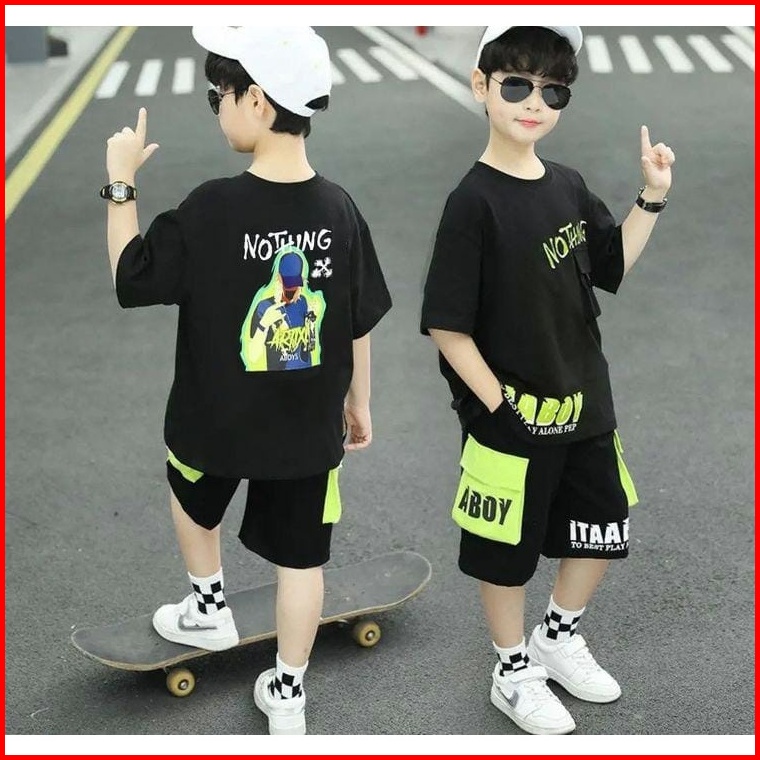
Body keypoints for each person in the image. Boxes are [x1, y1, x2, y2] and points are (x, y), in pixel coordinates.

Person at [101, 26, 392, 735]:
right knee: (302, 561)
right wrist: (359, 402)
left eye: (218, 96)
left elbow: (132, 277)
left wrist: (121, 181)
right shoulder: (340, 209)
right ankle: (287, 692)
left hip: (215, 423)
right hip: (306, 429)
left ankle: (208, 606)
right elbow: (357, 320)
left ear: (256, 101)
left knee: (189, 490)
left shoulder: (210, 208)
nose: (217, 108)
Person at [420, 25, 674, 735]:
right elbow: (447, 325)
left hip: (584, 399)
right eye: (517, 85)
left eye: (553, 91)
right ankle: (511, 669)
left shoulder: (566, 184)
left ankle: (557, 637)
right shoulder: (472, 203)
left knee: (602, 526)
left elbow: (611, 265)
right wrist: (500, 406)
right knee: (505, 554)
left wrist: (652, 196)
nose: (535, 102)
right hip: (510, 416)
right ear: (481, 86)